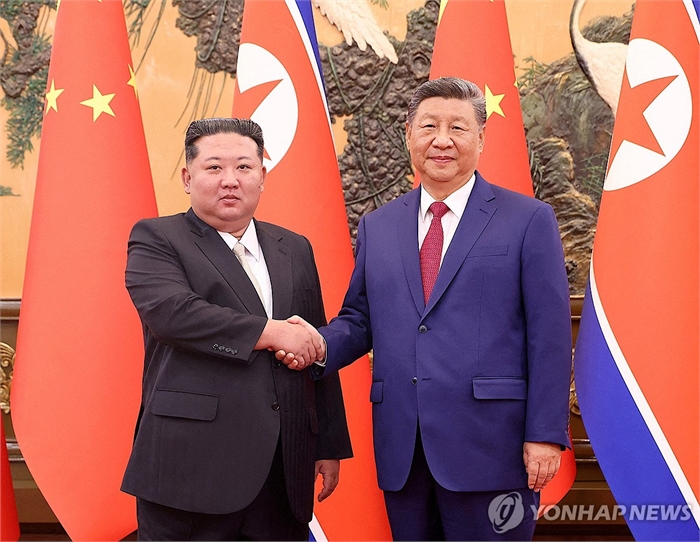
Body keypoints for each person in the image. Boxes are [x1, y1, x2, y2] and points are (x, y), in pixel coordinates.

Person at [279, 77, 572, 540]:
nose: (442, 140)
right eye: (429, 126)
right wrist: (315, 344)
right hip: (404, 449)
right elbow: (360, 319)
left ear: (481, 138)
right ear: (409, 136)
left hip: (493, 447)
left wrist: (545, 434)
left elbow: (550, 336)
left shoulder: (528, 219)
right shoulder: (378, 225)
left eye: (458, 127)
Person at [121, 117, 352, 541]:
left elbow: (312, 339)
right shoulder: (157, 238)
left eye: (244, 167)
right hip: (191, 472)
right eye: (214, 167)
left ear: (262, 176)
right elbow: (175, 315)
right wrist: (273, 333)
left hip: (284, 469)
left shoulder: (293, 246)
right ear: (188, 178)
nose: (230, 180)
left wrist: (329, 443)